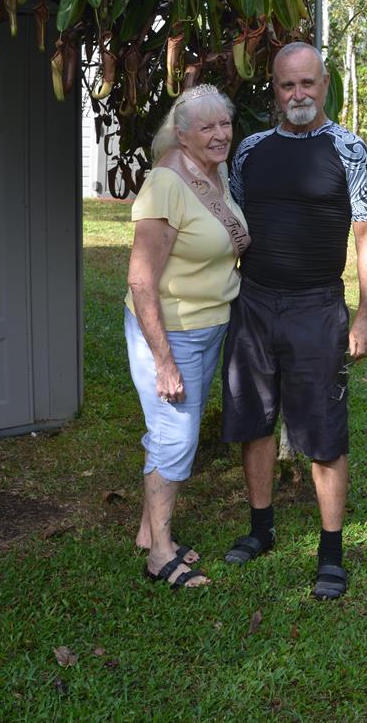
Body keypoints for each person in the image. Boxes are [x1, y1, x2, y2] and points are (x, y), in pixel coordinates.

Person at [221, 42, 367, 599]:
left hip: (318, 307)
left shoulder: (348, 149)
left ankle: (331, 553)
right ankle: (261, 529)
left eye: (307, 84)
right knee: (253, 419)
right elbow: (232, 222)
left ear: (324, 83)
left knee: (323, 431)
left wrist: (364, 315)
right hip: (255, 302)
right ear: (275, 87)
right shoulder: (249, 151)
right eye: (287, 85)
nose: (298, 95)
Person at [125, 84, 250, 590]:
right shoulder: (166, 184)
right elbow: (140, 279)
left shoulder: (213, 175)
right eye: (207, 127)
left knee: (169, 431)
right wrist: (165, 361)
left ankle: (146, 532)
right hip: (171, 332)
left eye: (225, 124)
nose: (221, 134)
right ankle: (159, 554)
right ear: (181, 134)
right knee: (177, 437)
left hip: (207, 326)